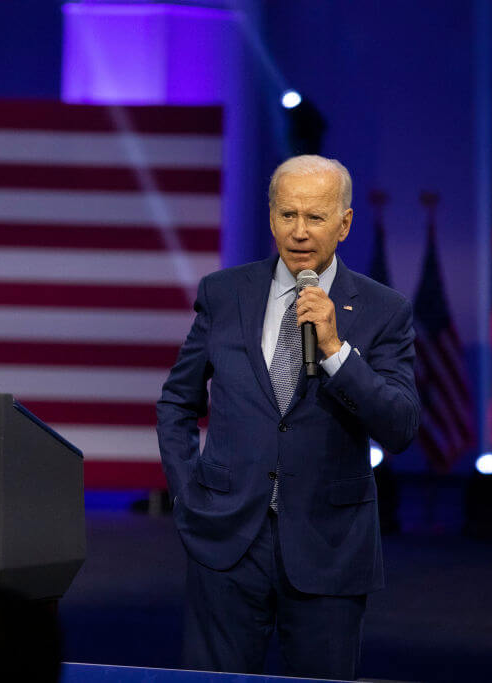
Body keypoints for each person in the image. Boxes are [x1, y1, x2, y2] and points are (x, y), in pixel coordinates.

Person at [156, 155, 419, 680]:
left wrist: (335, 351)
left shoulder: (383, 309)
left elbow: (400, 426)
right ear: (271, 217)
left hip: (329, 545)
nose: (299, 232)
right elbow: (178, 403)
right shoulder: (223, 293)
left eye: (315, 218)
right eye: (287, 215)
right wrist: (190, 496)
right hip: (226, 540)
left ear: (344, 224)